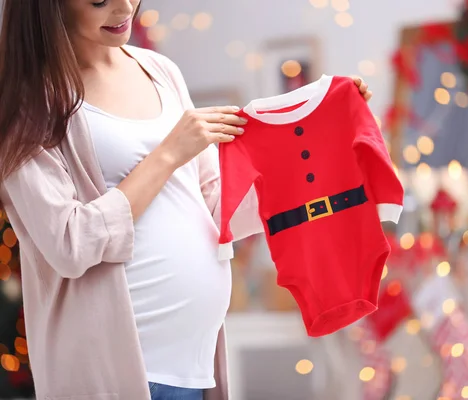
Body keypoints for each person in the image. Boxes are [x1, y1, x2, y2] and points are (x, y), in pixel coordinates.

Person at [0, 1, 374, 400]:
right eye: (98, 0)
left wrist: (324, 136)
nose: (125, 7)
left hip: (194, 370)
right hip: (114, 372)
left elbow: (216, 207)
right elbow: (69, 244)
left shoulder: (160, 71)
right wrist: (168, 154)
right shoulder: (28, 103)